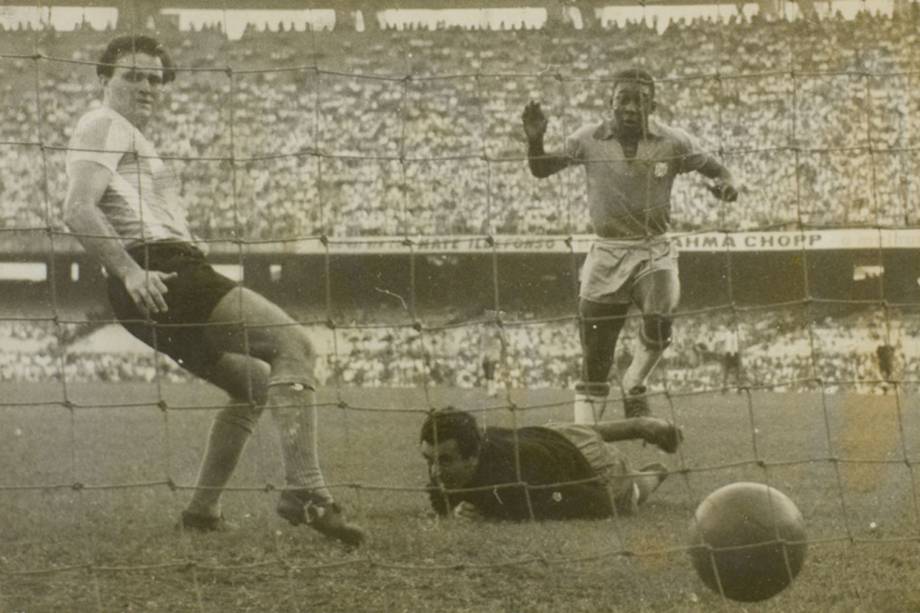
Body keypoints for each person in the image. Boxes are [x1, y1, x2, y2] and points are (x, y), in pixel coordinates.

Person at [63, 35, 364, 547]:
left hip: (151, 281)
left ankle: (202, 511)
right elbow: (77, 208)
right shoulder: (103, 123)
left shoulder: (134, 138)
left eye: (156, 78)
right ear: (103, 80)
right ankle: (305, 491)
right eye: (132, 76)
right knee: (296, 345)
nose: (147, 86)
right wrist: (131, 270)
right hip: (159, 273)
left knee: (251, 387)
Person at [522, 68, 740, 423]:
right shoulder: (587, 139)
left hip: (653, 246)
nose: (630, 107)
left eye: (639, 100)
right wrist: (534, 141)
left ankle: (635, 382)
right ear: (610, 101)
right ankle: (586, 439)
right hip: (606, 251)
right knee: (594, 358)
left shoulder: (673, 142)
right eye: (623, 98)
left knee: (660, 309)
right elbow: (541, 169)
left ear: (652, 105)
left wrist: (728, 186)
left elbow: (719, 170)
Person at [419, 407, 682, 521]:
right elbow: (440, 496)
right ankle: (638, 425)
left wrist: (492, 513)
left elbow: (597, 502)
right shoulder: (462, 449)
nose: (434, 472)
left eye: (445, 460)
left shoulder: (514, 481)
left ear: (473, 456)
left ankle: (654, 474)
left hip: (588, 462)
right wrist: (453, 509)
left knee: (624, 496)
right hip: (550, 434)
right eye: (429, 460)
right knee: (570, 433)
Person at [478, 309, 508, 397]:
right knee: (485, 368)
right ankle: (490, 389)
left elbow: (503, 339)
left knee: (491, 367)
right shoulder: (482, 327)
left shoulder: (496, 329)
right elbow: (481, 336)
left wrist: (503, 350)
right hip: (484, 350)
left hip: (493, 350)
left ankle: (492, 390)